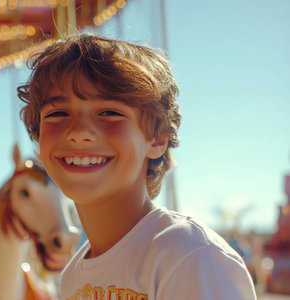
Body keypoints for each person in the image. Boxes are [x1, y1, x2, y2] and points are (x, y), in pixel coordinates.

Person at [18, 34, 256, 300]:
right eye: (57, 114)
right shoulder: (74, 275)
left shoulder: (188, 256)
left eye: (109, 112)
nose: (78, 132)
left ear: (157, 138)